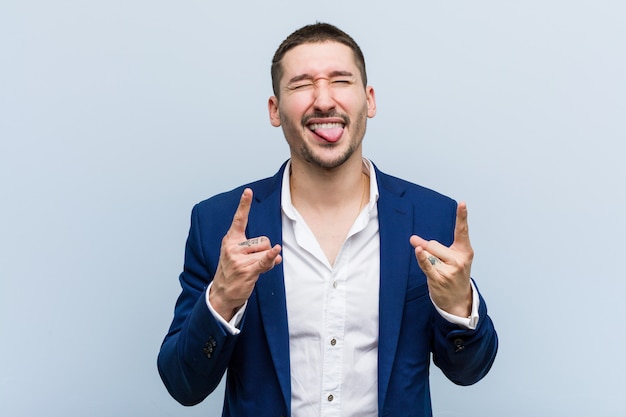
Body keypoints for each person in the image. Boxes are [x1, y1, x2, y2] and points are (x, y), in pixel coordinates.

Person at [157, 22, 498, 417]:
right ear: (274, 109)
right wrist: (222, 299)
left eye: (340, 81)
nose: (323, 101)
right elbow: (183, 384)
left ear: (368, 100)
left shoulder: (433, 218)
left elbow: (469, 370)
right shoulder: (218, 223)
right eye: (301, 85)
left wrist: (458, 304)